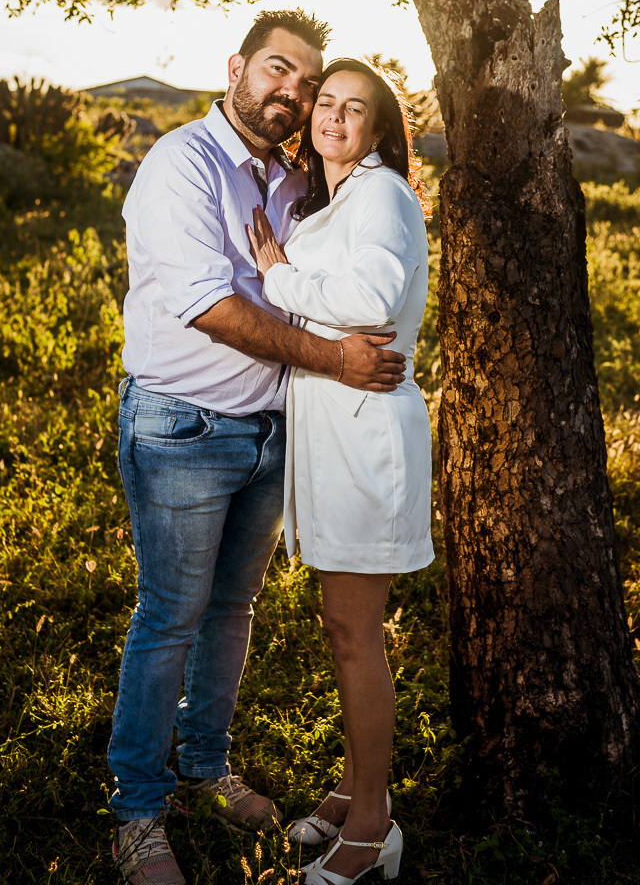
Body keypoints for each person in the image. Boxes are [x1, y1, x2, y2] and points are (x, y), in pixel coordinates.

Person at [109, 14, 408, 885]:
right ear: (237, 67)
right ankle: (136, 809)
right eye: (278, 69)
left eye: (307, 83)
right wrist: (337, 360)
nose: (293, 92)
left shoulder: (294, 179)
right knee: (169, 616)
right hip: (184, 426)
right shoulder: (182, 166)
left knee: (231, 610)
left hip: (271, 430)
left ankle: (205, 769)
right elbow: (212, 306)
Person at [248, 58, 434, 885]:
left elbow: (372, 298)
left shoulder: (383, 191)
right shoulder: (340, 198)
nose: (332, 117)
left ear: (378, 130)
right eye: (326, 102)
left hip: (366, 436)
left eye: (354, 109)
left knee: (355, 635)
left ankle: (372, 827)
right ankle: (356, 786)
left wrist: (278, 275)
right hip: (335, 432)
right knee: (342, 629)